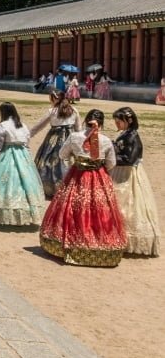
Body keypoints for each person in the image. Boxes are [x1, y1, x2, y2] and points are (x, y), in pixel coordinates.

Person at [39, 109, 127, 267]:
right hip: (98, 177)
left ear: (86, 121)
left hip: (78, 175)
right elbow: (111, 163)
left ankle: (68, 243)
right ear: (101, 124)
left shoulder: (74, 137)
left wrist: (78, 155)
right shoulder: (106, 140)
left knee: (72, 207)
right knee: (99, 210)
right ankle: (101, 246)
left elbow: (62, 155)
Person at [0, 102, 45, 225]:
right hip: (23, 156)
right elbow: (26, 143)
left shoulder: (2, 126)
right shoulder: (23, 125)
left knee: (1, 183)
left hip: (7, 155)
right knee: (25, 184)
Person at [110, 107, 160, 256]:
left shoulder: (132, 137)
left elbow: (130, 159)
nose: (116, 123)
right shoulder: (125, 134)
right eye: (116, 121)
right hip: (119, 171)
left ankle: (127, 238)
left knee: (128, 203)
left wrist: (110, 159)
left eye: (119, 121)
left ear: (128, 121)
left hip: (128, 174)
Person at [30, 90, 82, 199]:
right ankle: (69, 188)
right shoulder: (74, 110)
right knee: (69, 163)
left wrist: (28, 135)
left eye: (51, 99)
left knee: (48, 161)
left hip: (54, 139)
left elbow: (39, 125)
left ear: (55, 99)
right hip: (70, 139)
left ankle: (50, 188)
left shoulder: (52, 111)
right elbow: (78, 129)